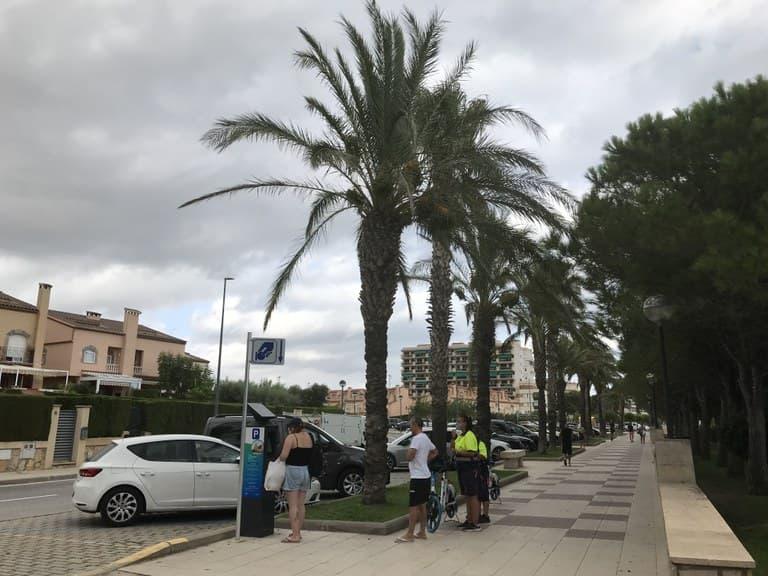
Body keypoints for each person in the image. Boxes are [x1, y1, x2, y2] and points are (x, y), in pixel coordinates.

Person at [395, 417, 437, 543]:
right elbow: (435, 451)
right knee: (422, 505)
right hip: (426, 476)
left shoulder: (417, 439)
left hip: (417, 478)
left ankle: (410, 534)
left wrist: (410, 454)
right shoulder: (425, 438)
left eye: (411, 425)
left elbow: (410, 456)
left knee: (413, 506)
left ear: (416, 425)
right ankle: (422, 532)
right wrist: (424, 460)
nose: (410, 427)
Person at [278, 418, 313, 543]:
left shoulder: (291, 438)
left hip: (293, 470)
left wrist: (278, 459)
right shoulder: (309, 437)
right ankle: (298, 531)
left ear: (292, 427)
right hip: (305, 471)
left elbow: (284, 456)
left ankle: (295, 535)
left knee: (292, 505)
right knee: (301, 505)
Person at [451, 414, 481, 532]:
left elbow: (472, 453)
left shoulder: (469, 435)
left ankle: (474, 522)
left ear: (465, 423)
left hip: (470, 467)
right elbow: (452, 448)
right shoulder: (460, 436)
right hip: (462, 467)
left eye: (459, 422)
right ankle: (469, 519)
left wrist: (458, 452)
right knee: (467, 495)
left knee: (472, 495)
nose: (457, 424)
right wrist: (453, 438)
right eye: (457, 421)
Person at [478, 439, 491, 524]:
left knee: (484, 493)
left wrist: (474, 455)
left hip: (482, 471)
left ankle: (486, 515)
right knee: (477, 494)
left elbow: (483, 456)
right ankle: (477, 514)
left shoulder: (480, 444)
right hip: (475, 471)